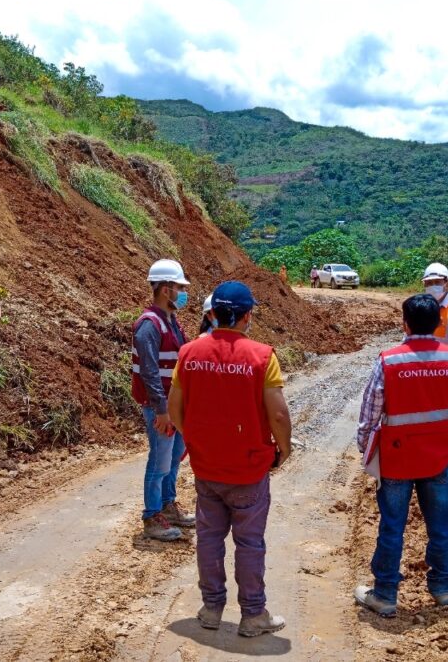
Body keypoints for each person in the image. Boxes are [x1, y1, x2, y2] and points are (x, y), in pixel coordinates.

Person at [353, 293, 448, 618]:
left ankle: (385, 594)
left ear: (404, 323)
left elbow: (369, 414)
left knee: (392, 527)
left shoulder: (389, 360)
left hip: (397, 459)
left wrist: (365, 449)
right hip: (440, 458)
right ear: (438, 323)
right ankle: (442, 588)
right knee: (440, 526)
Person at [168, 281, 292, 637]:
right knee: (249, 542)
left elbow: (175, 409)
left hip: (207, 466)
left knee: (209, 537)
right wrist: (283, 450)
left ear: (212, 313)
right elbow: (279, 416)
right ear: (247, 315)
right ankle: (253, 615)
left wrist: (195, 438)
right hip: (249, 467)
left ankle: (211, 608)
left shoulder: (189, 353)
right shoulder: (262, 356)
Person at [132, 259, 196, 541]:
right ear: (165, 289)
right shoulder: (149, 325)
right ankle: (152, 516)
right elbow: (149, 372)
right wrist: (161, 411)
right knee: (159, 462)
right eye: (179, 288)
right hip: (161, 409)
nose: (182, 293)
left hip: (176, 408)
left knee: (172, 461)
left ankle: (168, 506)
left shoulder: (170, 321)